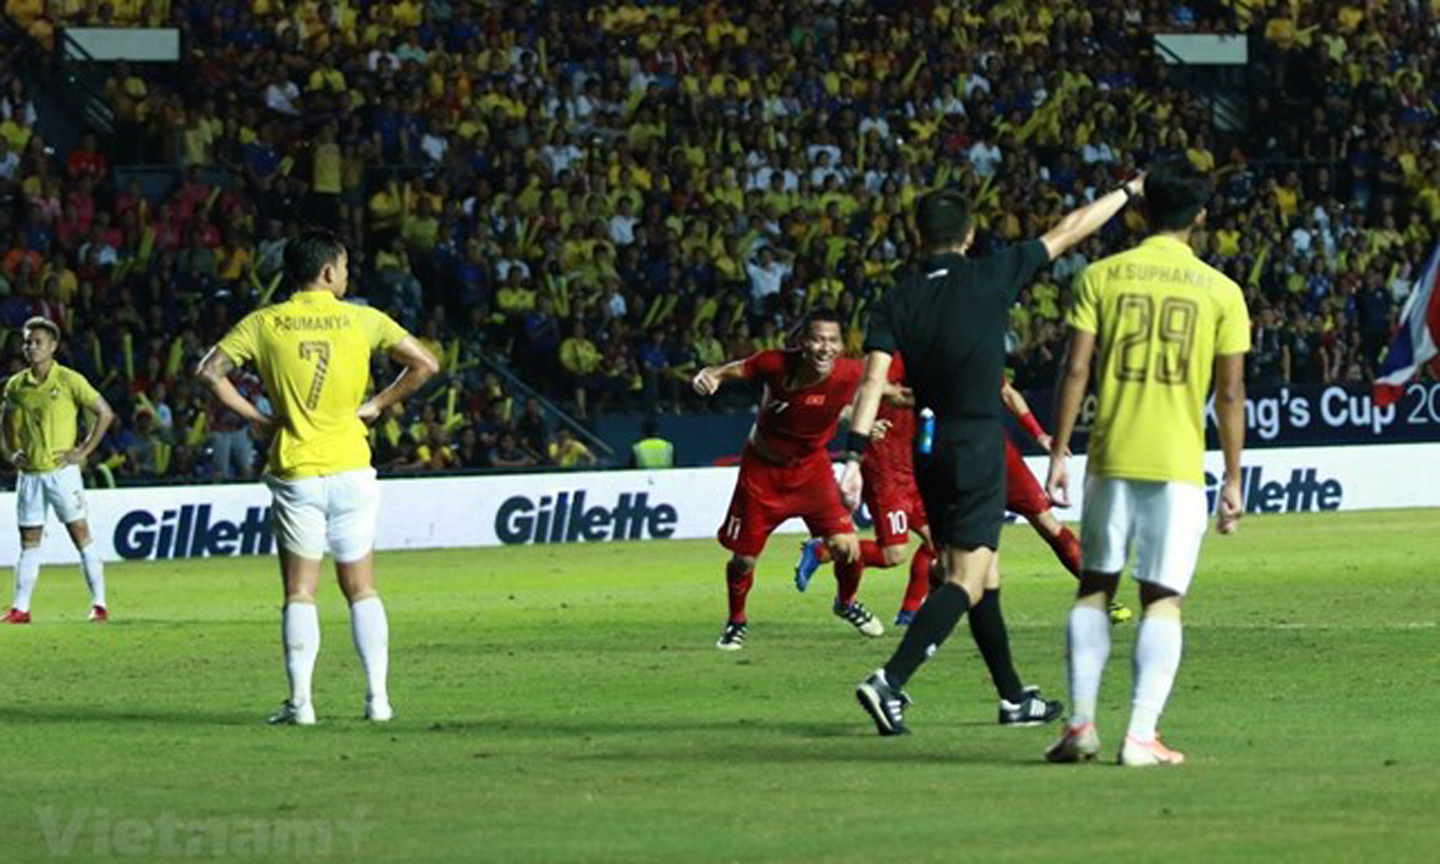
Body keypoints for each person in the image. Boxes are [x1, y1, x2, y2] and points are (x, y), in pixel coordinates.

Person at [844, 175, 1146, 737]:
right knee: (963, 576)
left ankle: (1012, 697)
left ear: (917, 236)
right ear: (969, 235)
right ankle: (890, 682)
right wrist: (1128, 192)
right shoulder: (991, 274)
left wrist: (851, 458)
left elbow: (871, 383)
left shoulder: (898, 298)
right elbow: (1070, 230)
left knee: (986, 572)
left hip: (927, 446)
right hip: (977, 442)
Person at [1044, 158, 1248, 767]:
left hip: (1111, 454)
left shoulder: (1102, 276)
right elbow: (1230, 394)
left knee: (1095, 587)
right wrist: (1234, 477)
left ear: (1141, 209)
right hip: (1178, 464)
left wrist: (1057, 451)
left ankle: (1080, 725)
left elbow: (1075, 369)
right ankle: (1139, 735)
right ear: (1202, 215)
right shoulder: (1222, 292)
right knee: (1162, 597)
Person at [197, 228, 438, 726]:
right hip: (352, 466)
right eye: (344, 267)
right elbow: (425, 363)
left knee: (300, 591)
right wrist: (377, 404)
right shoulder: (364, 319)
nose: (347, 275)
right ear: (328, 272)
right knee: (361, 587)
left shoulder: (264, 323)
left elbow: (209, 370)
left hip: (296, 470)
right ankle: (378, 700)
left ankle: (301, 703)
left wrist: (259, 419)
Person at [692, 308, 878, 651]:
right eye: (818, 339)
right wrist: (711, 375)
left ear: (841, 345)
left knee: (846, 548)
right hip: (762, 472)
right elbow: (735, 369)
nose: (825, 347)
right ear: (802, 342)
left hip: (812, 471)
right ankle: (736, 622)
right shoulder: (774, 363)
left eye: (832, 340)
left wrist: (867, 425)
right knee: (743, 559)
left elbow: (873, 393)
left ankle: (846, 602)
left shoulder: (850, 373)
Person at [1, 317, 115, 624]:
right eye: (27, 341)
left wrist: (83, 451)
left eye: (38, 341)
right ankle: (21, 608)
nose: (31, 347)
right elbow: (6, 423)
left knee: (81, 535)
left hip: (62, 473)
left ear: (53, 346)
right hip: (30, 476)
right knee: (29, 541)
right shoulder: (16, 385)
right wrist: (12, 453)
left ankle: (99, 604)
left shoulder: (68, 380)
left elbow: (105, 412)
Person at [999, 380, 1133, 623]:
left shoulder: (961, 347)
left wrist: (1039, 434)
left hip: (986, 452)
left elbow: (1007, 392)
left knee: (1047, 523)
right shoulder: (964, 346)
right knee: (943, 541)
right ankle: (917, 612)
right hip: (966, 452)